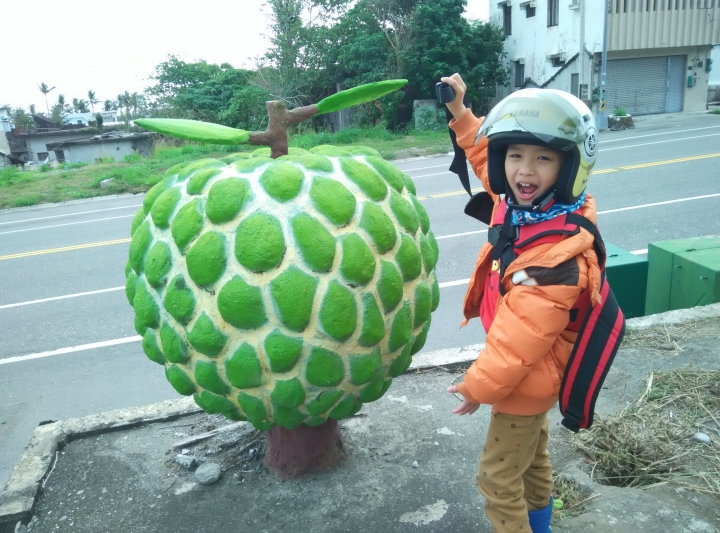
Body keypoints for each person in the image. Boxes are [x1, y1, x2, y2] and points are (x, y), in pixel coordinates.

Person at [440, 73, 603, 533]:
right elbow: (482, 156)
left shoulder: (557, 259)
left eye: (542, 159)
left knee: (496, 479)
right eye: (514, 156)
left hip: (527, 380)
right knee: (531, 462)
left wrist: (476, 388)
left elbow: (518, 343)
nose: (523, 171)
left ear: (569, 167)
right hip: (536, 376)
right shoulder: (523, 206)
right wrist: (461, 113)